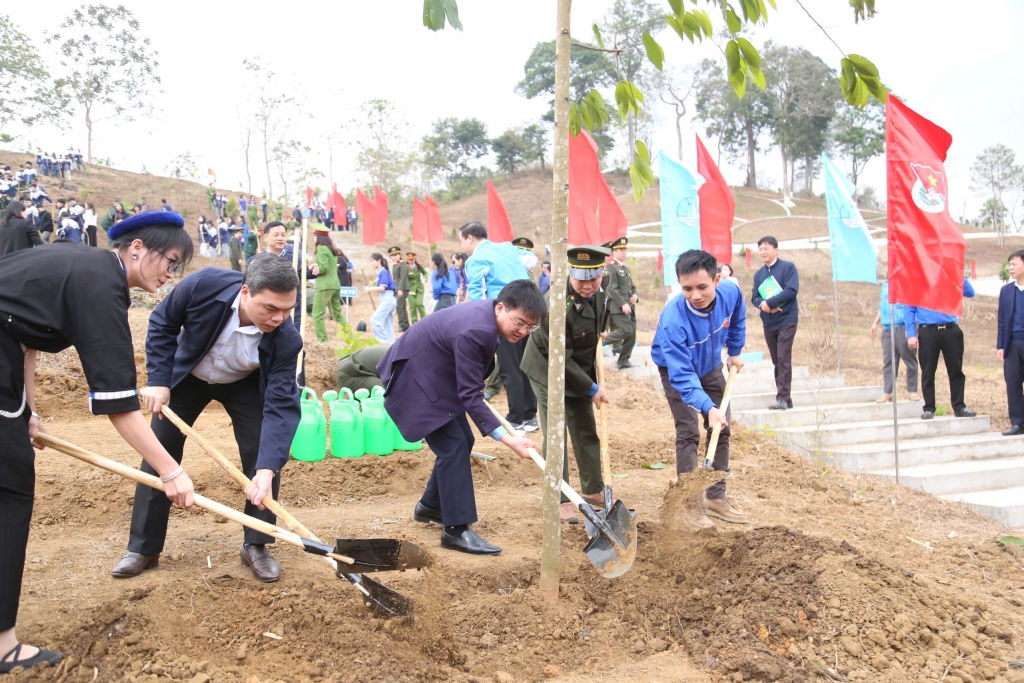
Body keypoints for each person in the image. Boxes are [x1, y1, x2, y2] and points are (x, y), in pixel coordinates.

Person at [0, 211, 196, 673]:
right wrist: (171, 471)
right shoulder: (101, 285)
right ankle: (3, 645)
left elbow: (24, 336)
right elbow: (119, 404)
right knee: (9, 492)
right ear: (136, 249)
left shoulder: (79, 262)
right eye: (169, 260)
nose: (171, 273)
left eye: (177, 266)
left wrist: (30, 412)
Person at [112, 253, 302, 583]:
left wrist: (268, 468)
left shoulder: (286, 339)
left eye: (287, 310)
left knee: (263, 453)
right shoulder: (204, 285)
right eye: (271, 308)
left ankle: (256, 544)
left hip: (243, 382)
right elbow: (162, 322)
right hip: (190, 376)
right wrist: (159, 380)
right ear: (245, 292)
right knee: (160, 451)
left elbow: (281, 406)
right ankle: (144, 547)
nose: (279, 318)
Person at [378, 280, 541, 554]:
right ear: (501, 308)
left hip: (434, 375)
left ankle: (431, 506)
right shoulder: (477, 329)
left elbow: (471, 385)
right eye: (520, 322)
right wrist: (507, 439)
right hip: (415, 380)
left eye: (530, 327)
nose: (524, 331)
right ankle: (456, 530)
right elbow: (470, 394)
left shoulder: (489, 318)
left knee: (463, 439)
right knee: (453, 446)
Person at [653, 250, 748, 529]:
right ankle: (689, 506)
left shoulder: (730, 292)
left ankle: (716, 498)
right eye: (687, 289)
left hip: (709, 365)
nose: (695, 295)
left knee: (722, 428)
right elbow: (682, 376)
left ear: (717, 280)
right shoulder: (673, 321)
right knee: (688, 432)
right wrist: (707, 407)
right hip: (675, 370)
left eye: (702, 287)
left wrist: (735, 349)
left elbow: (738, 313)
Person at [521, 246, 612, 523]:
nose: (587, 285)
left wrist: (602, 331)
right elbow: (560, 359)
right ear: (569, 273)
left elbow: (598, 322)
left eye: (592, 278)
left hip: (577, 368)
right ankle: (559, 498)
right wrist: (593, 388)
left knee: (585, 426)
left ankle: (594, 489)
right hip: (548, 369)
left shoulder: (599, 291)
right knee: (557, 434)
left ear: (602, 274)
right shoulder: (556, 305)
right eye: (580, 279)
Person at [460, 221, 538, 432]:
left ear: (469, 238)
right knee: (525, 366)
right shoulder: (507, 248)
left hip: (506, 320)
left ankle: (516, 418)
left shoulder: (476, 259)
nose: (462, 247)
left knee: (509, 368)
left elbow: (477, 297)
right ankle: (530, 417)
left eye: (462, 241)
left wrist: (479, 325)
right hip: (528, 314)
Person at [905, 276, 976, 421]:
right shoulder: (917, 281)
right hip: (928, 331)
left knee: (956, 370)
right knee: (928, 371)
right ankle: (929, 408)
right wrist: (911, 334)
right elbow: (909, 309)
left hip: (951, 330)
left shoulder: (951, 276)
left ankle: (959, 406)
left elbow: (970, 292)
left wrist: (959, 273)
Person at [751, 236, 800, 410]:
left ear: (776, 250)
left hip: (787, 320)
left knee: (783, 357)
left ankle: (783, 398)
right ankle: (786, 397)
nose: (763, 252)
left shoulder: (788, 268)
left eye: (766, 248)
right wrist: (762, 305)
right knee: (777, 361)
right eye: (760, 249)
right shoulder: (759, 274)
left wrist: (769, 303)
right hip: (769, 323)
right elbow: (754, 297)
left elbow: (791, 290)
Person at [870, 279, 919, 404]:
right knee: (889, 361)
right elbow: (882, 307)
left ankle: (912, 390)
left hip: (903, 326)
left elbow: (913, 307)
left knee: (909, 359)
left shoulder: (907, 282)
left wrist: (910, 328)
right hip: (887, 327)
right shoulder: (885, 285)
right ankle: (887, 392)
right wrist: (875, 323)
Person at [602, 237, 639, 371]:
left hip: (631, 307)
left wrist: (636, 296)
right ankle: (598, 342)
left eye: (625, 250)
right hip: (618, 307)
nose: (624, 252)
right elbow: (612, 288)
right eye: (620, 250)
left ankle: (623, 360)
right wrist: (623, 303)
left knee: (632, 335)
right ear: (613, 252)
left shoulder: (626, 269)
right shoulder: (611, 268)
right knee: (626, 330)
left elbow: (632, 287)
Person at [998, 251, 1024, 436]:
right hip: (1012, 344)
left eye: (1014, 264)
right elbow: (1001, 321)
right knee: (1013, 384)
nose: (1011, 268)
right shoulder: (1006, 291)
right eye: (1009, 265)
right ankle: (1018, 423)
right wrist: (1001, 345)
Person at [312, 228, 344, 342]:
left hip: (324, 285)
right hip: (335, 284)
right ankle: (349, 336)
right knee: (337, 314)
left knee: (317, 314)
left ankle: (322, 340)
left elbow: (324, 268)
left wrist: (315, 269)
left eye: (314, 236)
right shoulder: (332, 250)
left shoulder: (321, 249)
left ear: (317, 237)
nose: (313, 239)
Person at [366, 253, 397, 344]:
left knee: (375, 320)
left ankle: (383, 341)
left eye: (372, 261)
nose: (371, 263)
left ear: (379, 261)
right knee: (387, 324)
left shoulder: (383, 272)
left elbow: (382, 288)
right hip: (388, 299)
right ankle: (391, 343)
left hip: (388, 299)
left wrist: (370, 289)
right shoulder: (380, 272)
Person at [389, 247, 411, 332]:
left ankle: (403, 325)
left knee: (400, 306)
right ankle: (405, 325)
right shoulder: (395, 265)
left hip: (403, 288)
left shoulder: (403, 265)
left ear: (399, 255)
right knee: (400, 307)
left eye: (396, 255)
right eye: (392, 255)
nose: (394, 257)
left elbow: (403, 278)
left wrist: (401, 289)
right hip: (397, 288)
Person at [405, 251, 428, 323]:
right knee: (412, 306)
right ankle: (414, 322)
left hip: (419, 288)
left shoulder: (418, 266)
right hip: (410, 289)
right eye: (409, 260)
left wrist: (425, 278)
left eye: (412, 260)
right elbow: (404, 278)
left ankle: (424, 320)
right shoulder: (406, 268)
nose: (411, 261)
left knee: (419, 303)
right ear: (407, 260)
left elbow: (425, 273)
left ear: (415, 259)